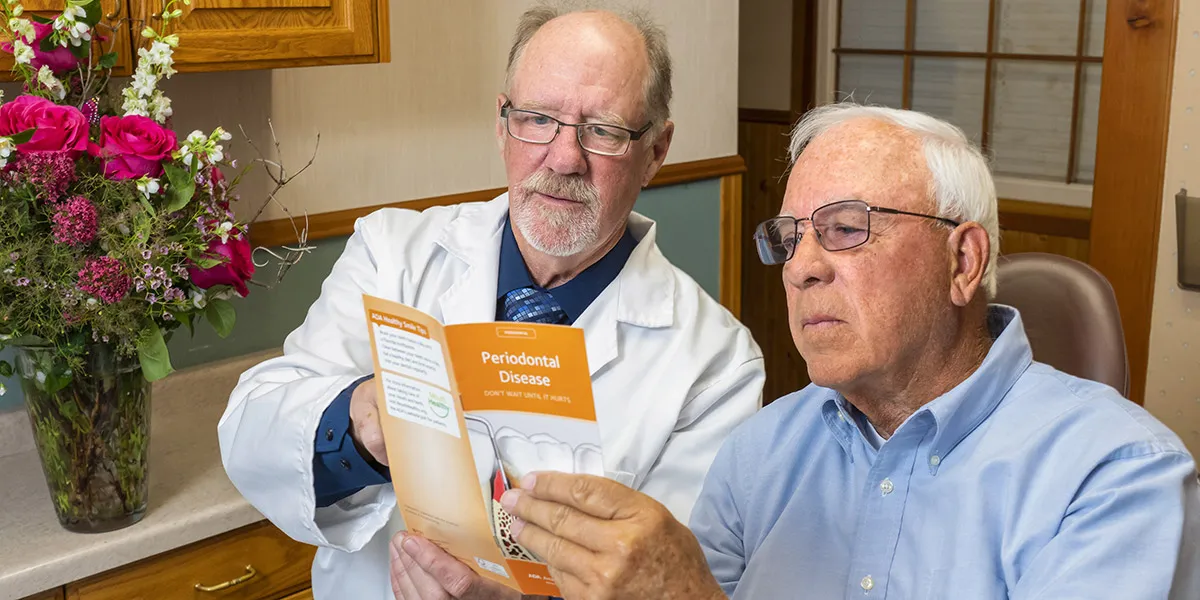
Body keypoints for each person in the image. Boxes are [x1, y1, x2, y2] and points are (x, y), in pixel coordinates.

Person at [484, 103, 1200, 600]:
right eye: (791, 237)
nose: (801, 267)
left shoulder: (1116, 477)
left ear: (963, 261)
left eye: (847, 228)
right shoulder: (761, 450)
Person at [216, 3, 765, 600]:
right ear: (502, 125)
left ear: (655, 151)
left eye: (602, 130)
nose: (563, 158)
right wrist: (359, 423)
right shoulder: (393, 254)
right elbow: (251, 434)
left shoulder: (716, 365)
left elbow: (680, 585)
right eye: (537, 118)